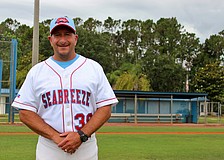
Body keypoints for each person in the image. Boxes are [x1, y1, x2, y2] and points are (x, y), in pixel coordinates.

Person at [12, 16, 118, 160]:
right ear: (50, 40)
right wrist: (55, 136)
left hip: (86, 148)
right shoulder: (37, 72)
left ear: (76, 38)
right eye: (57, 35)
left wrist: (81, 135)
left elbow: (105, 108)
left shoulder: (93, 68)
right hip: (49, 148)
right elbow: (25, 112)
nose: (63, 40)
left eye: (67, 34)